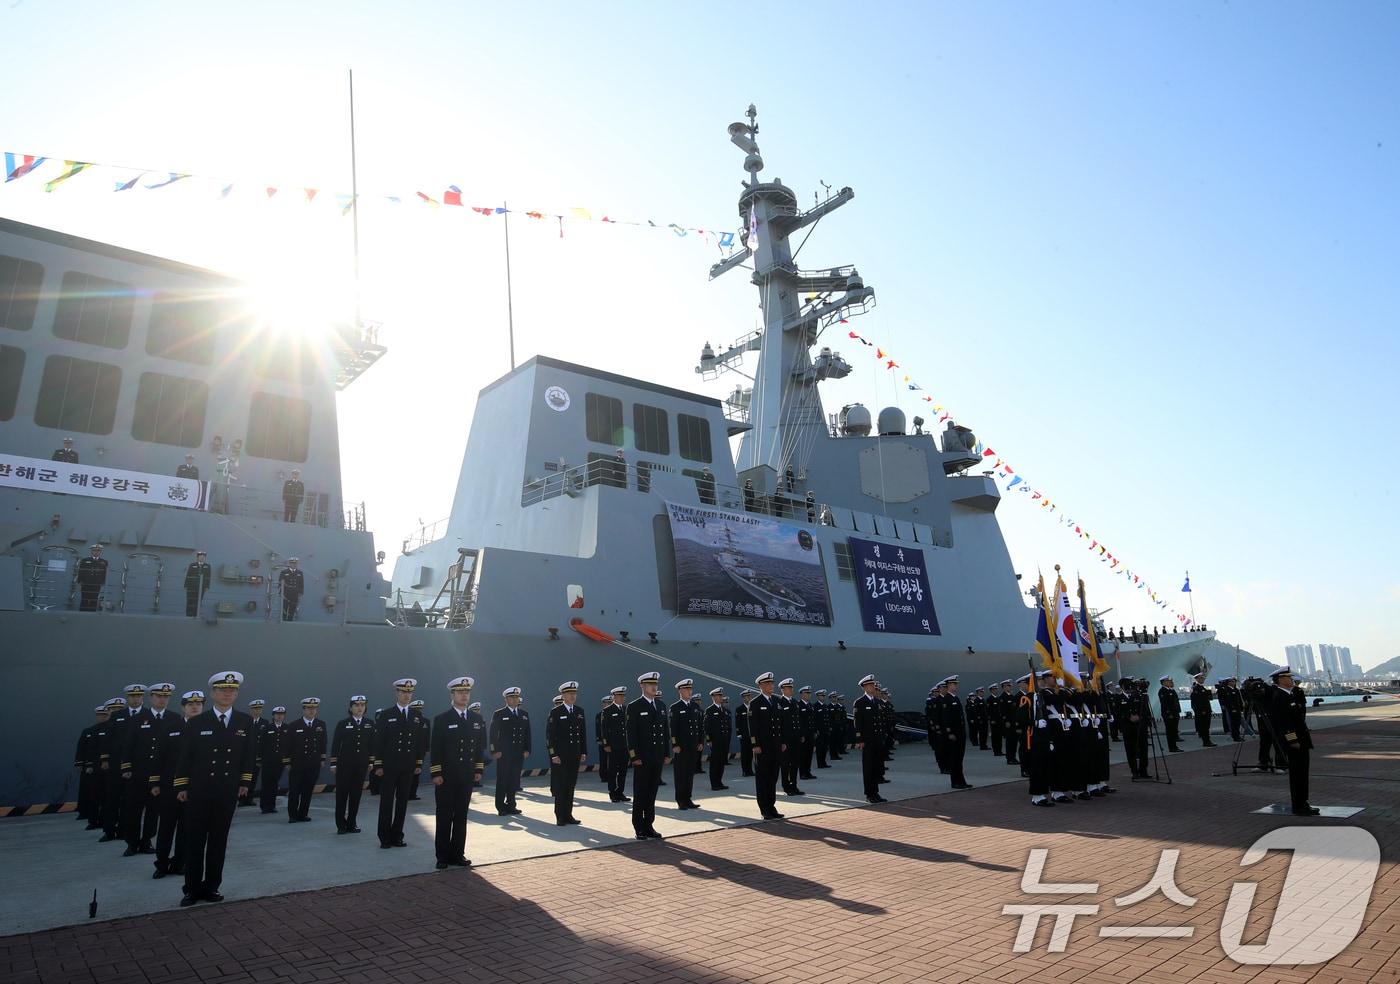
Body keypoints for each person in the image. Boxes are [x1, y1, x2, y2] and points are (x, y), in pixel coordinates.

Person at [174, 670, 257, 907]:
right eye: (222, 689)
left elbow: (248, 755)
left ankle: (212, 887)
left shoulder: (245, 721)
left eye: (232, 690)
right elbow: (186, 755)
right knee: (195, 840)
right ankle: (191, 889)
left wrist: (245, 782)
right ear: (213, 693)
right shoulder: (198, 722)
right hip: (199, 789)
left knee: (219, 841)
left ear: (237, 693)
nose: (227, 693)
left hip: (227, 790)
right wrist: (181, 784)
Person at [430, 677, 486, 868]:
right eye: (460, 692)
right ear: (452, 695)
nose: (464, 695)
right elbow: (436, 749)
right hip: (446, 777)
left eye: (467, 692)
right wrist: (436, 773)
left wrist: (478, 768)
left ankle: (457, 854)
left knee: (461, 816)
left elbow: (480, 747)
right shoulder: (442, 719)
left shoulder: (476, 719)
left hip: (466, 775)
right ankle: (442, 856)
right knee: (444, 816)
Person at [120, 682, 175, 856]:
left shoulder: (174, 719)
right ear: (151, 698)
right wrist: (126, 767)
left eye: (166, 697)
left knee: (154, 810)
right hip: (139, 772)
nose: (162, 700)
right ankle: (132, 842)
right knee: (133, 809)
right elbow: (128, 744)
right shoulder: (137, 719)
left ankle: (147, 841)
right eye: (159, 696)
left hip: (160, 774)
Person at [153, 691, 201, 880]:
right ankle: (162, 864)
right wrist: (155, 782)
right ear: (183, 707)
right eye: (190, 704)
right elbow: (158, 756)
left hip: (194, 787)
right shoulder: (171, 727)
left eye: (198, 704)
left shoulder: (208, 727)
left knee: (186, 828)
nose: (195, 707)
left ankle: (180, 862)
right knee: (166, 827)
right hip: (169, 787)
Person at [373, 678, 426, 847]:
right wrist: (378, 764)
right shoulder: (387, 715)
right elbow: (379, 741)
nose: (407, 695)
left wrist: (418, 763)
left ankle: (398, 835)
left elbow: (419, 742)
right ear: (397, 693)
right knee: (387, 802)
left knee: (402, 802)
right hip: (389, 765)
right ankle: (384, 837)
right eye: (403, 692)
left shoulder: (416, 716)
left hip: (408, 765)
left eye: (409, 692)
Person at [1266, 668, 1318, 815]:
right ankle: (1299, 805)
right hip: (1295, 743)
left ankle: (1303, 802)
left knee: (1302, 773)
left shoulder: (1289, 695)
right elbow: (1285, 724)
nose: (1291, 680)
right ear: (1281, 680)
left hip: (1301, 740)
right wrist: (1293, 740)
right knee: (1297, 774)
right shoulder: (1280, 697)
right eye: (1288, 677)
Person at [627, 671, 672, 839]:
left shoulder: (660, 706)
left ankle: (649, 825)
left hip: (657, 757)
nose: (654, 687)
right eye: (651, 684)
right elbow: (631, 735)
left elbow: (664, 732)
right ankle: (639, 827)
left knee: (652, 792)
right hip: (642, 758)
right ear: (643, 686)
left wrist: (666, 753)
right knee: (640, 793)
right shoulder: (634, 706)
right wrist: (634, 756)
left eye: (656, 685)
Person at [99, 684, 145, 842]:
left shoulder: (148, 715)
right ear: (128, 698)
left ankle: (125, 831)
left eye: (138, 696)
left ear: (142, 698)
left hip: (138, 766)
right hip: (116, 765)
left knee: (130, 801)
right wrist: (104, 758)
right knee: (112, 798)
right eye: (132, 696)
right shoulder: (118, 715)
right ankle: (109, 830)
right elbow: (107, 739)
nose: (135, 699)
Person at [545, 681, 588, 825]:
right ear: (563, 695)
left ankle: (568, 814)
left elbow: (582, 734)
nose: (573, 696)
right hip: (560, 757)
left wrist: (583, 751)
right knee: (561, 785)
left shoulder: (579, 711)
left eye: (574, 693)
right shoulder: (555, 712)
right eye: (570, 693)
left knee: (571, 785)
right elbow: (550, 736)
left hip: (574, 755)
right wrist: (553, 755)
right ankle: (560, 816)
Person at [331, 695, 374, 833]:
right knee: (342, 795)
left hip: (361, 765)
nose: (360, 707)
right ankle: (341, 825)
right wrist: (333, 763)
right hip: (344, 765)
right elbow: (336, 745)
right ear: (351, 708)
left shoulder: (369, 723)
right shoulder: (343, 724)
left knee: (356, 795)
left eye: (362, 705)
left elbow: (372, 745)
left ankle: (352, 823)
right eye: (357, 705)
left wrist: (371, 761)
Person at [489, 686, 531, 816]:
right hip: (504, 753)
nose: (515, 699)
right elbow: (493, 734)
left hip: (518, 753)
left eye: (516, 697)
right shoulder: (499, 714)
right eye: (512, 697)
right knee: (503, 780)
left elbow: (527, 734)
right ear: (506, 699)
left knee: (514, 780)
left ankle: (511, 805)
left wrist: (527, 749)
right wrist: (494, 750)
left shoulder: (524, 714)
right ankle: (500, 807)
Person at [286, 698, 326, 822]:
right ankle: (293, 815)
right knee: (294, 790)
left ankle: (303, 814)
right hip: (297, 763)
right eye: (309, 708)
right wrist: (287, 761)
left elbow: (323, 743)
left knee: (308, 790)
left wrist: (322, 759)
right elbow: (288, 745)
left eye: (314, 708)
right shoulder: (294, 725)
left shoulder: (320, 724)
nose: (312, 711)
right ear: (303, 709)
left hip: (313, 763)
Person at [668, 679, 703, 809]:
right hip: (681, 748)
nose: (689, 691)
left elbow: (700, 726)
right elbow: (673, 729)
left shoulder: (695, 707)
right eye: (687, 689)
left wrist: (700, 741)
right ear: (680, 691)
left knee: (689, 774)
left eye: (690, 689)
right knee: (681, 775)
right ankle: (681, 800)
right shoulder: (675, 707)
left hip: (693, 746)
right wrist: (674, 744)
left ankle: (688, 799)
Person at [853, 675, 886, 804]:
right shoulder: (860, 702)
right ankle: (869, 794)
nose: (873, 687)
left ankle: (876, 793)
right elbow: (858, 723)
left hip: (878, 740)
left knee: (876, 767)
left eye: (873, 685)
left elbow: (881, 721)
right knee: (868, 768)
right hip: (867, 740)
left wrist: (882, 737)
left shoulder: (877, 702)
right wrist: (859, 739)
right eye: (870, 685)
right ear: (865, 687)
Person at [75, 705, 109, 828]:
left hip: (110, 768)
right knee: (93, 795)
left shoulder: (114, 728)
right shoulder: (91, 731)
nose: (103, 717)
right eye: (101, 715)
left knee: (107, 797)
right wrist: (84, 764)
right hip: (95, 768)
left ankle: (105, 820)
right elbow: (86, 749)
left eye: (105, 714)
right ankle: (92, 819)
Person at [258, 706, 289, 814]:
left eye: (282, 714)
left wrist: (287, 760)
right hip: (268, 760)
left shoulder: (287, 728)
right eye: (277, 714)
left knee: (275, 783)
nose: (280, 716)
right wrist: (259, 759)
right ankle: (264, 806)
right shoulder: (267, 728)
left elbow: (289, 746)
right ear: (273, 715)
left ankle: (272, 805)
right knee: (266, 783)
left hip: (280, 761)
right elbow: (261, 744)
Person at [942, 676, 972, 789]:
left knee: (959, 758)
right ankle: (955, 782)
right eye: (954, 684)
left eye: (956, 684)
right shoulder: (946, 699)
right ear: (949, 685)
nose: (956, 686)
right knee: (954, 758)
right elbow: (946, 718)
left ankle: (961, 780)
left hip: (960, 733)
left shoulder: (956, 699)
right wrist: (949, 732)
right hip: (953, 734)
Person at [601, 686, 630, 802]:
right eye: (620, 696)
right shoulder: (607, 711)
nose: (622, 698)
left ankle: (620, 792)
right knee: (613, 771)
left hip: (625, 746)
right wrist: (606, 744)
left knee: (623, 770)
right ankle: (612, 793)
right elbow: (604, 729)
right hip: (613, 746)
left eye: (623, 696)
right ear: (614, 697)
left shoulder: (627, 709)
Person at [704, 687, 731, 790]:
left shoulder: (724, 710)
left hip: (724, 740)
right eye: (718, 695)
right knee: (715, 763)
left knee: (721, 762)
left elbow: (726, 726)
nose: (720, 697)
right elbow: (706, 726)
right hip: (715, 741)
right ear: (713, 697)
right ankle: (714, 784)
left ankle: (719, 782)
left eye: (721, 695)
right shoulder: (710, 710)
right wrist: (708, 740)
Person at [240, 699, 266, 807]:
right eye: (255, 709)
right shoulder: (246, 721)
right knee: (244, 778)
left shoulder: (265, 723)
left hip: (257, 757)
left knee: (254, 778)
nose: (257, 711)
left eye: (259, 709)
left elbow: (265, 742)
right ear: (251, 710)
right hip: (246, 756)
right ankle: (242, 800)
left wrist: (261, 757)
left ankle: (249, 799)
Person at [75, 544, 107, 612]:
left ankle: (92, 613)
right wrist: (80, 581)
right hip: (86, 583)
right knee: (84, 599)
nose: (96, 552)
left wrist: (103, 581)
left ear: (100, 552)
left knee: (94, 599)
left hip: (96, 584)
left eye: (98, 551)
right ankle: (82, 612)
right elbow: (81, 571)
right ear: (91, 551)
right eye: (94, 550)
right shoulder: (85, 560)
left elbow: (105, 573)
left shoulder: (104, 562)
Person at [408, 698, 429, 799]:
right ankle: (406, 793)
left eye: (419, 709)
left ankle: (412, 793)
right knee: (408, 773)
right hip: (410, 751)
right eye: (416, 709)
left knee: (417, 772)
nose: (418, 711)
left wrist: (427, 748)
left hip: (421, 751)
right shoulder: (408, 720)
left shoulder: (425, 721)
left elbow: (427, 736)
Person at [796, 686, 817, 781]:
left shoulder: (810, 705)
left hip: (810, 734)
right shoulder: (798, 705)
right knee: (802, 754)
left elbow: (813, 720)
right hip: (803, 735)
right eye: (806, 693)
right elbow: (798, 721)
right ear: (801, 694)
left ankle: (808, 772)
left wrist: (814, 731)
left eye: (809, 693)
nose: (808, 695)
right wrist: (801, 735)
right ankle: (802, 773)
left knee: (809, 753)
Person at [1190, 673, 1215, 746]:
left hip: (1206, 710)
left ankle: (1207, 740)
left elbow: (1208, 699)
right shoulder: (1196, 688)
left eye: (1203, 678)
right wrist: (1201, 711)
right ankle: (1206, 741)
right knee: (1204, 727)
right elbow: (1196, 702)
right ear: (1197, 679)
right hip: (1202, 712)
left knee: (1206, 727)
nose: (1202, 679)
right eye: (1201, 678)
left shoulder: (1202, 688)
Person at [1158, 676, 1182, 752]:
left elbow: (1175, 702)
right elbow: (1165, 704)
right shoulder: (1162, 691)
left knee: (1174, 730)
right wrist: (1169, 714)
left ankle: (1174, 746)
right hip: (1169, 714)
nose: (1169, 682)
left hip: (1174, 713)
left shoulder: (1171, 690)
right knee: (1170, 731)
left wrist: (1177, 712)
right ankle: (1172, 747)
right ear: (1163, 682)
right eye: (1167, 681)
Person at [184, 550, 212, 618]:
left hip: (201, 587)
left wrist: (207, 586)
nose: (202, 558)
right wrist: (186, 585)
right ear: (197, 557)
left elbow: (208, 577)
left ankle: (195, 615)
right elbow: (188, 575)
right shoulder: (192, 565)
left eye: (203, 557)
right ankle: (188, 615)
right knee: (190, 600)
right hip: (191, 586)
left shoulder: (207, 566)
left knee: (198, 601)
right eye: (200, 556)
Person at [278, 558, 305, 622]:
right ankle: (283, 621)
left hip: (295, 594)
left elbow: (301, 584)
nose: (294, 564)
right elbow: (280, 583)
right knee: (284, 608)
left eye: (295, 563)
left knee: (292, 609)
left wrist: (301, 592)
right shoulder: (284, 572)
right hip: (286, 594)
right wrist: (280, 593)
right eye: (292, 563)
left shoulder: (300, 573)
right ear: (289, 563)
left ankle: (290, 621)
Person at [736, 689, 754, 777]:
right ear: (743, 698)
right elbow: (738, 722)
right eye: (747, 696)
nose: (749, 698)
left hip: (752, 735)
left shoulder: (753, 707)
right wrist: (738, 733)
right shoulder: (739, 709)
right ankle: (745, 770)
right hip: (744, 735)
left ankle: (750, 770)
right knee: (744, 754)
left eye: (750, 696)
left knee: (751, 753)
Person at [595, 696, 610, 786]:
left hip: (612, 741)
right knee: (603, 759)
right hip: (602, 741)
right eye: (606, 703)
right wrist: (599, 739)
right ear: (603, 704)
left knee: (612, 759)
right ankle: (603, 776)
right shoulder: (599, 715)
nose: (607, 705)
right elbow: (598, 728)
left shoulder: (613, 713)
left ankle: (611, 775)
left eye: (609, 703)